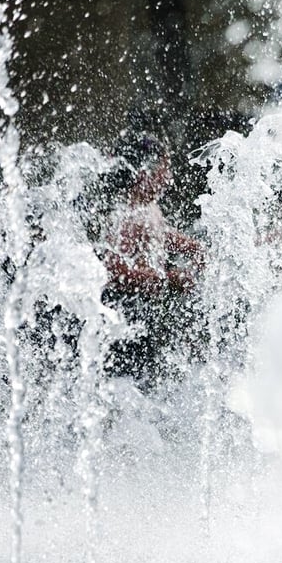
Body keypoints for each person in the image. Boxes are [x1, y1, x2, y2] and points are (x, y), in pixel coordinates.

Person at [100, 132, 203, 387]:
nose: (168, 179)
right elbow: (112, 270)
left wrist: (192, 248)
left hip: (141, 311)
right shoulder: (123, 215)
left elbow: (158, 234)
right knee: (126, 385)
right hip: (123, 313)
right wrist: (166, 278)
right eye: (163, 171)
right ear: (141, 173)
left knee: (145, 382)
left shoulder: (147, 208)